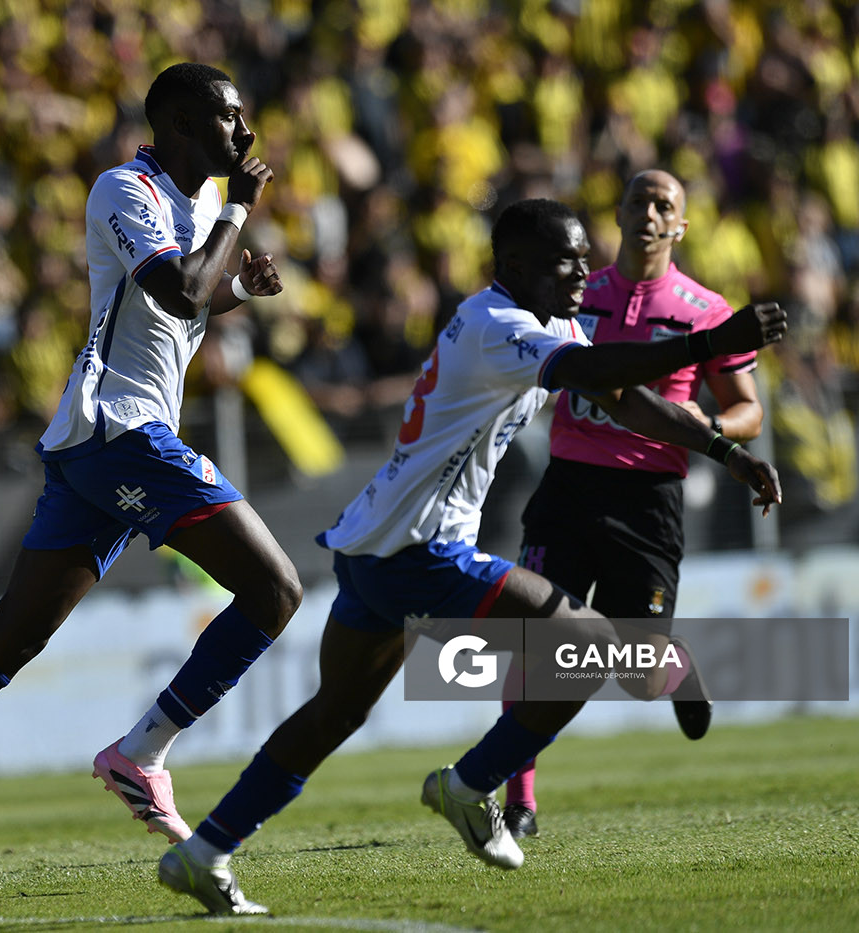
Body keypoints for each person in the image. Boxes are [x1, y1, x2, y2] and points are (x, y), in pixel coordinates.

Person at [156, 198, 786, 915]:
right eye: (566, 262)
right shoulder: (499, 325)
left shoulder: (545, 320)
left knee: (334, 713)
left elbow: (629, 399)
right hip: (423, 550)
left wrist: (724, 449)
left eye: (584, 259)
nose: (583, 273)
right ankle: (471, 783)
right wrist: (710, 344)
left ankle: (205, 850)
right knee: (588, 645)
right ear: (514, 265)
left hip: (373, 544)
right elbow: (605, 365)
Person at [0, 62, 301, 902]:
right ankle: (141, 752)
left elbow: (187, 304)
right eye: (231, 118)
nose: (245, 134)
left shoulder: (187, 202)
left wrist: (239, 290)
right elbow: (177, 291)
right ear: (184, 122)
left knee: (12, 639)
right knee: (275, 588)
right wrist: (236, 214)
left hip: (101, 444)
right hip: (124, 434)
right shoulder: (124, 189)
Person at [501, 170, 764, 840]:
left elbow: (747, 411)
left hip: (647, 500)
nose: (648, 213)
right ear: (616, 214)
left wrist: (697, 426)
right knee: (533, 638)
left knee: (635, 671)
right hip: (566, 485)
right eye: (638, 201)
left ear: (681, 224)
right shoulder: (574, 296)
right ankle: (519, 800)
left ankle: (675, 669)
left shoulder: (705, 311)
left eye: (663, 205)